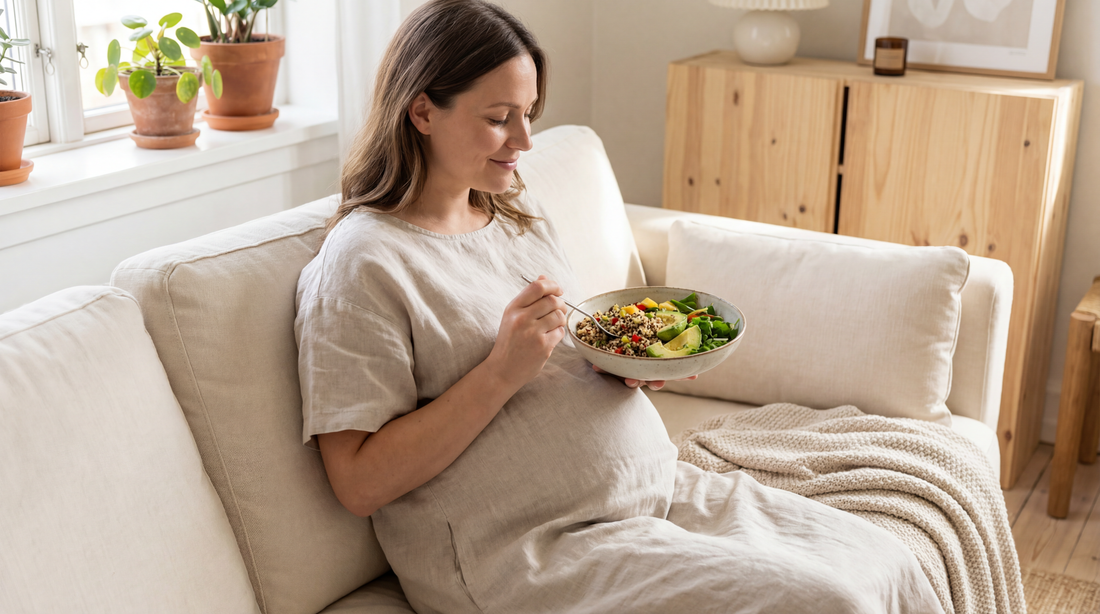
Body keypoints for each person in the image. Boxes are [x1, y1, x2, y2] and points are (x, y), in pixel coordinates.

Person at [294, 1, 944, 612]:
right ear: (422, 111)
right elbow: (358, 482)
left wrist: (616, 363)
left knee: (891, 563)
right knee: (836, 604)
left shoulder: (511, 213)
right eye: (499, 118)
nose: (523, 139)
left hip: (655, 492)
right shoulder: (365, 263)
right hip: (530, 550)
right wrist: (498, 373)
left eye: (530, 113)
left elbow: (562, 350)